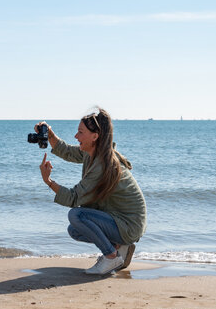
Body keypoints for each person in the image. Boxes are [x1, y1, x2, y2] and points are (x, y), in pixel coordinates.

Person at [37, 107, 146, 275]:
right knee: (74, 230)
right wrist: (50, 134)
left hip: (128, 224)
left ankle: (111, 257)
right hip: (119, 219)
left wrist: (48, 181)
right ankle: (118, 248)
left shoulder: (102, 164)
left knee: (76, 215)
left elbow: (73, 198)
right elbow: (68, 152)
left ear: (95, 137)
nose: (76, 136)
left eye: (80, 132)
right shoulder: (93, 152)